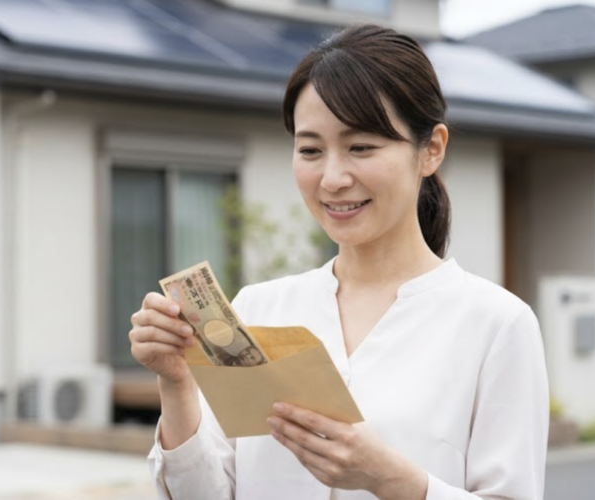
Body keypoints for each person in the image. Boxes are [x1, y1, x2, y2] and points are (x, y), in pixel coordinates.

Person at [128, 24, 548, 500]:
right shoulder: (260, 308)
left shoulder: (496, 325)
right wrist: (178, 383)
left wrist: (391, 479)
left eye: (361, 147)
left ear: (431, 149)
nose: (331, 178)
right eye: (310, 150)